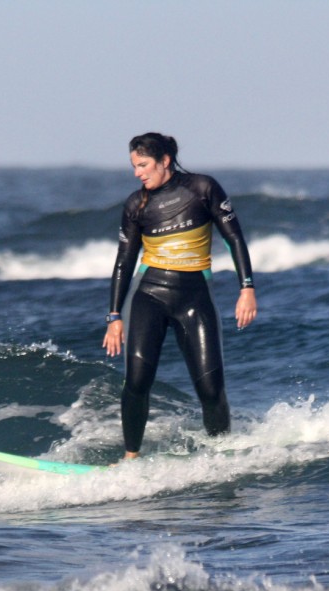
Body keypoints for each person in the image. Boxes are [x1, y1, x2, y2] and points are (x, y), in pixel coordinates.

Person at [102, 132, 257, 461]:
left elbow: (235, 239)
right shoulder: (135, 204)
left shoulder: (203, 189)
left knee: (211, 390)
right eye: (134, 166)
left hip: (194, 299)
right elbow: (124, 263)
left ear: (164, 161)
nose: (137, 173)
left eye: (143, 165)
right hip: (149, 297)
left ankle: (221, 456)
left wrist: (247, 288)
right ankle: (131, 457)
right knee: (137, 382)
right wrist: (114, 317)